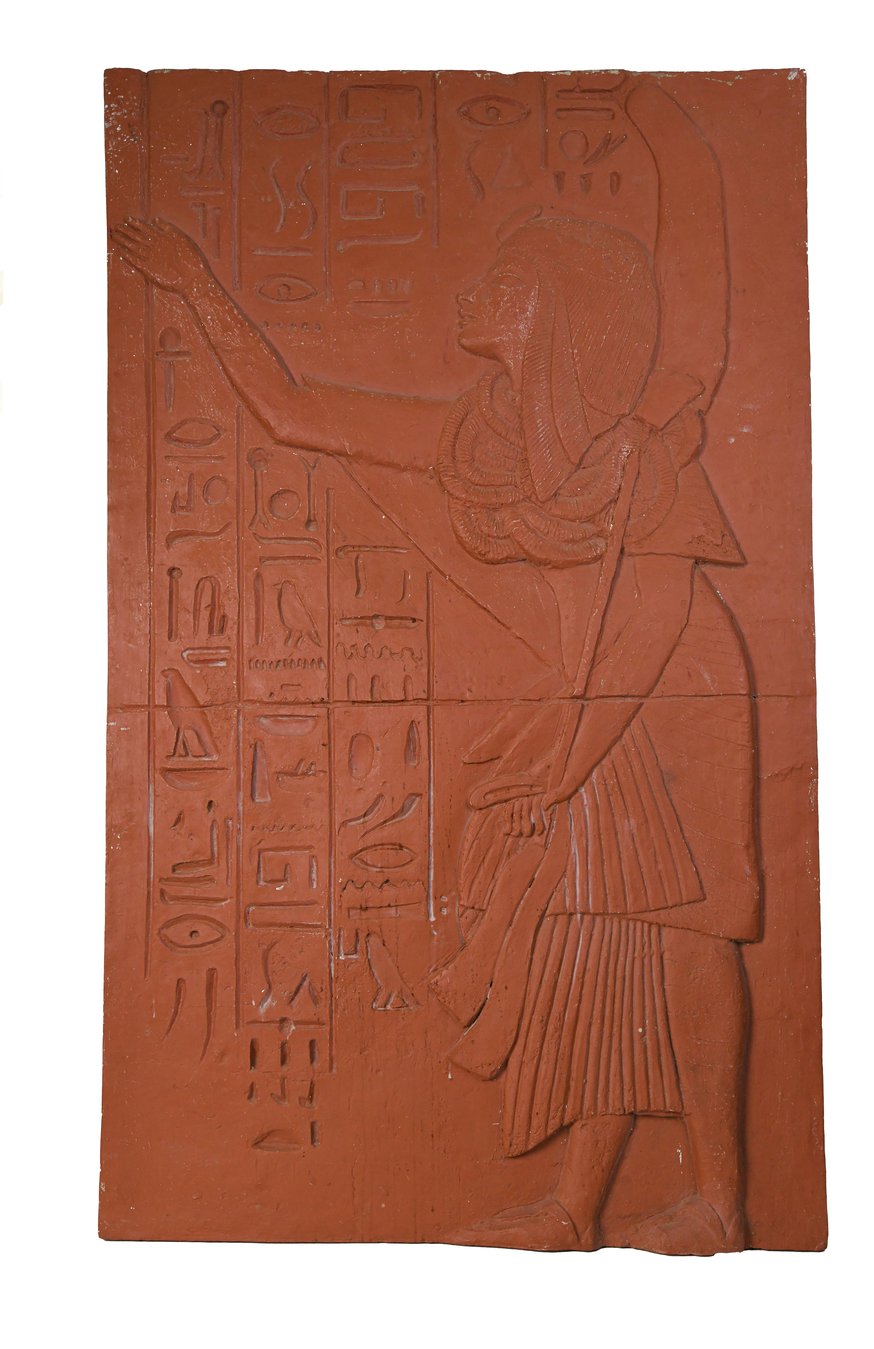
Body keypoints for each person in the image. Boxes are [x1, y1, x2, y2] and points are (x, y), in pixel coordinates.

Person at [111, 83, 759, 1255]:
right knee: (585, 933)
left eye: (503, 282)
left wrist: (570, 756)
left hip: (674, 694)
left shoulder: (632, 453)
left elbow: (655, 614)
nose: (477, 293)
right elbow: (297, 412)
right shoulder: (480, 438)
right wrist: (194, 282)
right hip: (589, 690)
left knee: (685, 930)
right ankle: (576, 1204)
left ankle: (719, 1197)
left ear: (550, 313)